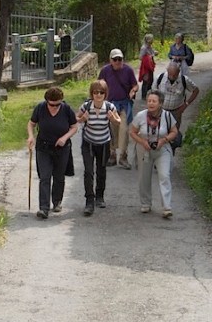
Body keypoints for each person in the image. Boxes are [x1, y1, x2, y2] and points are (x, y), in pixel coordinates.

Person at [27, 87, 78, 220]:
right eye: (52, 104)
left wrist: (64, 138)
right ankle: (44, 208)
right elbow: (31, 123)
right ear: (47, 101)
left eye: (57, 104)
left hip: (62, 148)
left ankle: (57, 202)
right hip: (44, 147)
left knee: (59, 176)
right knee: (45, 176)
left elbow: (74, 127)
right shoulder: (40, 108)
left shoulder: (66, 109)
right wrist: (31, 136)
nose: (55, 107)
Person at [130, 90, 179, 218]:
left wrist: (164, 140)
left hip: (162, 150)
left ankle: (167, 207)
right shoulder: (141, 116)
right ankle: (146, 203)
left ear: (160, 103)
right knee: (144, 177)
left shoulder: (167, 116)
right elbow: (133, 132)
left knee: (164, 175)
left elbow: (174, 131)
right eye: (149, 101)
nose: (151, 103)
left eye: (154, 101)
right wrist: (142, 141)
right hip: (144, 149)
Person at [76, 81, 121, 216]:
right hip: (88, 143)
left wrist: (113, 119)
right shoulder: (86, 106)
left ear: (105, 94)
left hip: (103, 144)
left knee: (101, 171)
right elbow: (75, 119)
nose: (98, 95)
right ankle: (89, 201)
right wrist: (82, 119)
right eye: (96, 92)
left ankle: (99, 197)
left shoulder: (109, 106)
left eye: (101, 92)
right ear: (92, 93)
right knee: (88, 171)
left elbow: (118, 122)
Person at [98, 48, 138, 169]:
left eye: (119, 59)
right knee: (111, 129)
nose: (117, 61)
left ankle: (123, 156)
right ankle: (112, 154)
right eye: (115, 59)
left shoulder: (128, 70)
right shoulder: (105, 71)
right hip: (110, 104)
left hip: (124, 103)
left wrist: (133, 91)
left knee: (124, 129)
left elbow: (135, 84)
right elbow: (99, 85)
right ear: (110, 60)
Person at [155, 60, 200, 126]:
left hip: (176, 112)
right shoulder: (159, 78)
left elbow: (196, 90)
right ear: (167, 71)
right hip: (161, 111)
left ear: (179, 72)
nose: (172, 77)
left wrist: (186, 104)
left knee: (174, 133)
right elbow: (153, 93)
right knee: (160, 132)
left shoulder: (184, 79)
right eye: (170, 75)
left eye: (175, 75)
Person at [138, 34, 157, 99]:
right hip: (145, 67)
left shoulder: (150, 46)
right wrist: (149, 57)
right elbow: (140, 57)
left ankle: (148, 94)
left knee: (151, 80)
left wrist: (154, 53)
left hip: (150, 66)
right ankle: (144, 96)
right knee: (146, 81)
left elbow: (152, 52)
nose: (152, 40)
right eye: (151, 39)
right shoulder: (144, 48)